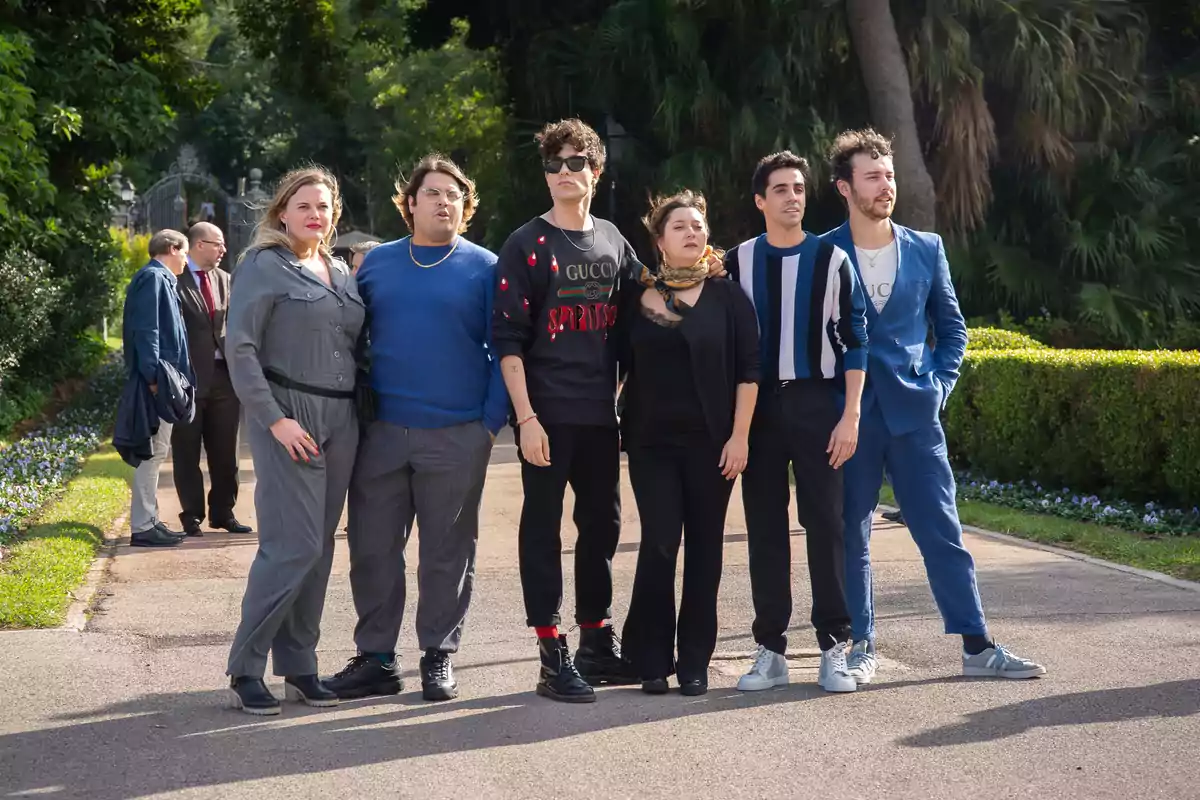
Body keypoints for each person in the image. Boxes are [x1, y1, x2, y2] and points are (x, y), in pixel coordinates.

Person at [821, 128, 1046, 684]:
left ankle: (976, 646)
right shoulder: (822, 252)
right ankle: (860, 646)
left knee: (942, 531)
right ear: (844, 187)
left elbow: (953, 330)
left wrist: (940, 386)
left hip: (916, 415)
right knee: (853, 533)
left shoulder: (927, 247)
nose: (885, 185)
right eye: (872, 176)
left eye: (889, 174)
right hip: (848, 420)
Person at [326, 154, 505, 703]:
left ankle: (438, 656)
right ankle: (377, 657)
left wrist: (488, 425)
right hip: (381, 432)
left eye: (454, 194)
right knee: (373, 549)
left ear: (466, 206)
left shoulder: (486, 266)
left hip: (457, 433)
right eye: (432, 192)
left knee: (447, 551)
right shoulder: (376, 264)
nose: (444, 201)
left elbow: (506, 349)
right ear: (410, 204)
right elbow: (350, 340)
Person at [491, 118, 643, 703]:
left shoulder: (613, 239)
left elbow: (639, 319)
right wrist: (526, 419)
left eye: (575, 163)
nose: (562, 173)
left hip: (600, 415)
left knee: (602, 527)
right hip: (546, 414)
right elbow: (507, 339)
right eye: (553, 165)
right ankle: (550, 652)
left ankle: (595, 641)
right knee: (542, 528)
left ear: (596, 172)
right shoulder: (526, 243)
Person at [224, 166, 367, 715]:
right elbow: (240, 349)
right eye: (304, 205)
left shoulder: (336, 268)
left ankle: (300, 666)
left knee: (322, 547)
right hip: (290, 417)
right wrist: (274, 419)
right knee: (294, 545)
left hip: (342, 419)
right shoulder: (263, 265)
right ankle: (245, 666)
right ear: (282, 211)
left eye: (325, 207)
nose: (315, 214)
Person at [724, 151, 867, 694]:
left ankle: (835, 647)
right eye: (780, 189)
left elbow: (856, 340)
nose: (792, 196)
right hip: (756, 409)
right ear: (760, 200)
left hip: (816, 405)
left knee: (826, 525)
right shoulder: (736, 262)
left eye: (799, 188)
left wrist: (849, 416)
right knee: (764, 528)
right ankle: (771, 650)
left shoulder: (832, 260)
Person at [616, 191, 760, 696]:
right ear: (659, 240)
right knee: (658, 544)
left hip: (712, 446)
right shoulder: (635, 300)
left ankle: (695, 657)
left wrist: (740, 437)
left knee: (705, 550)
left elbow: (749, 371)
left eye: (698, 225)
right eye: (680, 226)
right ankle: (650, 658)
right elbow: (615, 366)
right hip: (651, 445)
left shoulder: (729, 296)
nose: (692, 233)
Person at [171, 222, 251, 538]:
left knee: (226, 452)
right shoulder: (175, 280)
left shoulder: (226, 280)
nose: (223, 250)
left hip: (224, 377)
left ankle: (224, 512)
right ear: (197, 245)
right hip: (187, 380)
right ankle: (191, 515)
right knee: (187, 450)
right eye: (217, 244)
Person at [121, 229, 193, 548]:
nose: (186, 261)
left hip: (160, 378)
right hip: (156, 381)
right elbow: (147, 331)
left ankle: (149, 520)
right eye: (185, 253)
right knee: (152, 451)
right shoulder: (153, 278)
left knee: (157, 449)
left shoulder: (160, 278)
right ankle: (144, 526)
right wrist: (153, 379)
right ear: (173, 248)